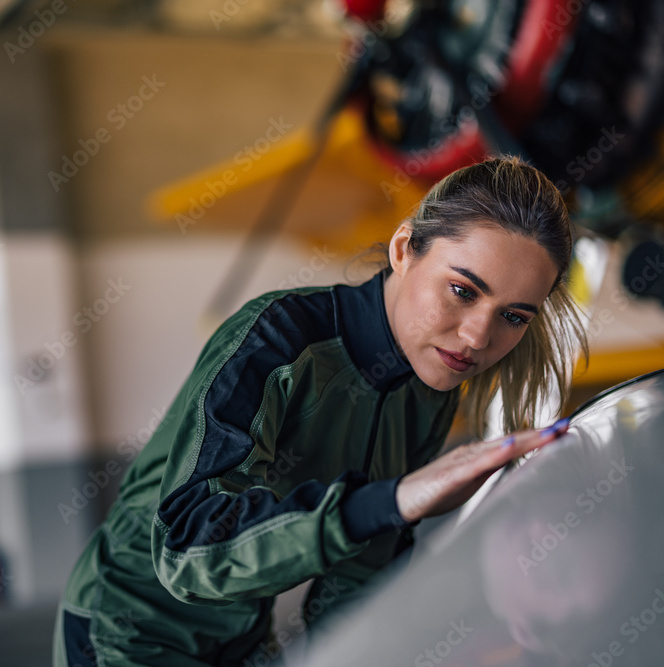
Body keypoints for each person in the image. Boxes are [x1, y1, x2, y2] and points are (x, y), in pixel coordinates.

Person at [52, 155, 589, 666]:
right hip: (125, 633)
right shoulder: (276, 339)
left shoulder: (434, 385)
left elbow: (358, 576)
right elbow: (189, 549)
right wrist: (387, 501)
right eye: (461, 289)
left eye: (514, 317)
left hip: (241, 640)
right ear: (404, 249)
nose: (477, 336)